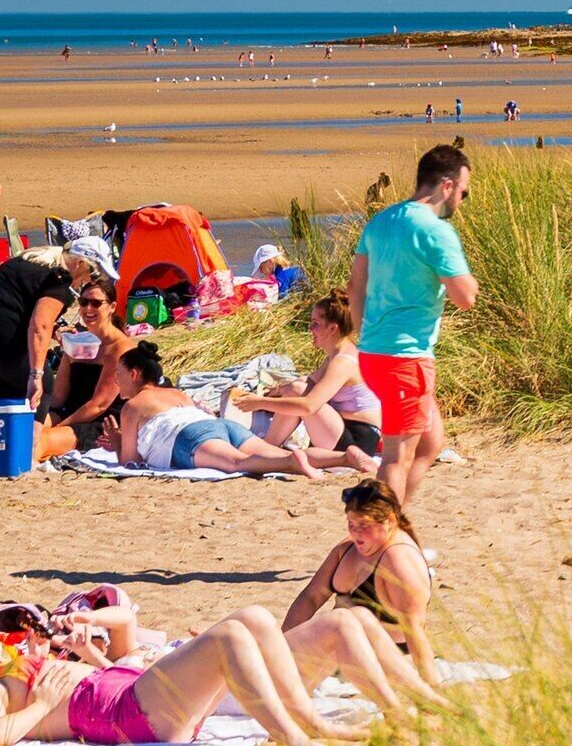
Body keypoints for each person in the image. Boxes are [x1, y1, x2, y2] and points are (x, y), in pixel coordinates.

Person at [0, 597, 353, 746]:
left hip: (135, 699)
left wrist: (65, 646)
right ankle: (292, 737)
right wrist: (39, 704)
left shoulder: (8, 682)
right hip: (130, 713)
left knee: (253, 619)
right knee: (232, 636)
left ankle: (307, 721)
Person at [350, 142, 478, 505]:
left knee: (430, 443)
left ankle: (397, 527)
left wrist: (365, 334)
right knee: (395, 457)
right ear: (447, 185)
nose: (461, 202)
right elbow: (464, 298)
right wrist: (471, 283)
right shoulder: (435, 231)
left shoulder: (382, 221)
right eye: (463, 193)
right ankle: (381, 543)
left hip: (374, 354)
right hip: (404, 358)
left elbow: (355, 285)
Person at [281, 481, 452, 698]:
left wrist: (430, 683)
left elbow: (415, 628)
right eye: (351, 523)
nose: (355, 532)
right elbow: (312, 596)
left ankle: (426, 701)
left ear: (389, 522)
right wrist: (285, 641)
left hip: (380, 657)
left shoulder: (398, 559)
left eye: (363, 524)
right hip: (337, 650)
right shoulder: (348, 548)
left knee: (348, 620)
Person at [0, 238, 114, 449]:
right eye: (93, 274)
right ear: (80, 264)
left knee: (16, 391)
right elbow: (39, 326)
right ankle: (29, 450)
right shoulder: (59, 279)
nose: (90, 282)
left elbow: (15, 302)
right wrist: (36, 374)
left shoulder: (30, 261)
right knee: (43, 387)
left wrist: (57, 329)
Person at [95, 341, 358, 477]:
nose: (116, 381)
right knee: (268, 452)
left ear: (134, 373)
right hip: (219, 426)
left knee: (237, 463)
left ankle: (291, 462)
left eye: (118, 374)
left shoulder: (132, 406)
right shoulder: (175, 393)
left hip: (188, 437)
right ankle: (345, 458)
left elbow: (131, 462)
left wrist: (118, 442)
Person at [237, 294, 382, 460]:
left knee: (298, 391)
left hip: (359, 441)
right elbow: (307, 382)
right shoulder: (337, 355)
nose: (310, 329)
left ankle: (265, 448)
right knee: (297, 386)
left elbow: (309, 406)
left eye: (315, 324)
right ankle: (267, 447)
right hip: (344, 430)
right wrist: (275, 391)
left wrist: (259, 403)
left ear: (333, 329)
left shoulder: (343, 361)